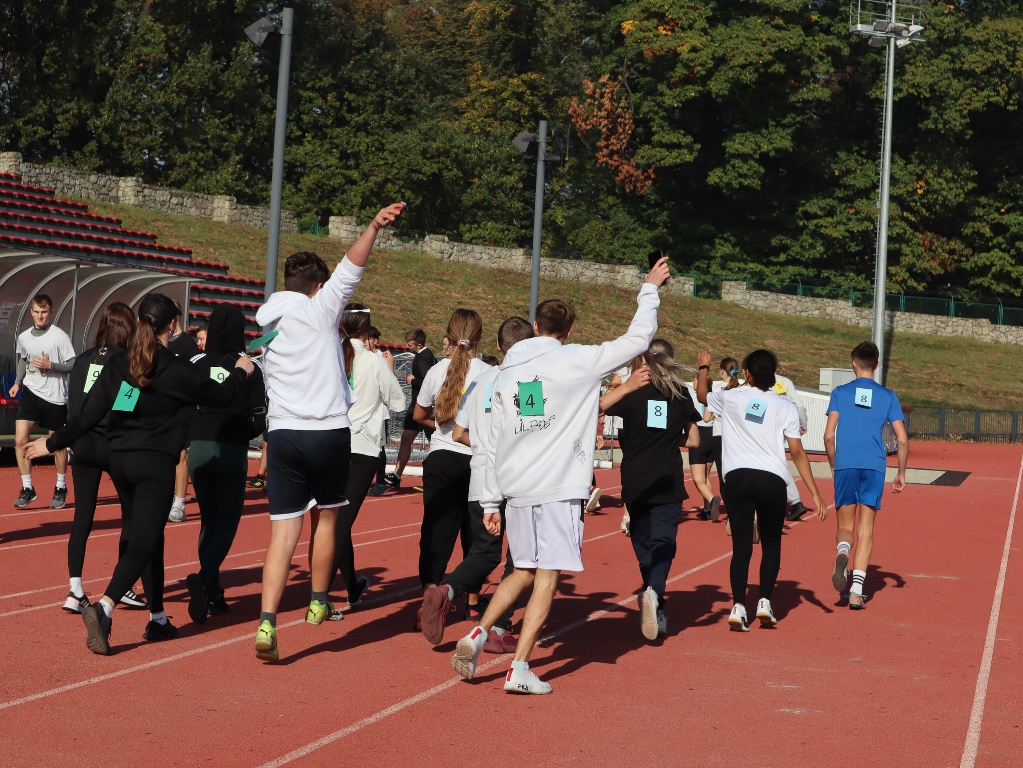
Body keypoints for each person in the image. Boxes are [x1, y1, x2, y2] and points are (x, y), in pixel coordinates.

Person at [450, 257, 669, 695]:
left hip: (516, 485)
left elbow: (491, 438)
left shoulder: (506, 372)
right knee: (547, 575)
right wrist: (649, 288)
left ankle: (479, 631)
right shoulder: (579, 360)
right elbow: (639, 338)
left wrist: (490, 500)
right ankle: (519, 668)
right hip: (559, 485)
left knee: (523, 570)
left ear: (535, 326)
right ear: (568, 331)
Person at [26, 293, 255, 654]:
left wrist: (53, 442)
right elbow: (222, 396)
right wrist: (241, 371)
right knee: (144, 540)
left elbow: (87, 416)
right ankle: (104, 607)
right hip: (154, 465)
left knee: (149, 536)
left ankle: (158, 617)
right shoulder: (178, 369)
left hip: (121, 460)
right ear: (172, 325)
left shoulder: (122, 363)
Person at [251, 202, 405, 663]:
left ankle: (266, 621)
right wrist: (373, 226)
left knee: (283, 533)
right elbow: (350, 269)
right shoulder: (319, 311)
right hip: (327, 432)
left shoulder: (268, 320)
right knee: (329, 518)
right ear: (318, 289)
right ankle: (319, 598)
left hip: (283, 435)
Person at [421, 316, 535, 650]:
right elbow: (532, 431)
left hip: (481, 480)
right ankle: (498, 626)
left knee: (484, 553)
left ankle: (446, 590)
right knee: (520, 557)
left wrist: (487, 448)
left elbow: (458, 433)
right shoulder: (530, 383)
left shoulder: (481, 381)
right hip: (517, 479)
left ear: (499, 345)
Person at [696, 348, 826, 632]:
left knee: (741, 547)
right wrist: (815, 493)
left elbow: (702, 395)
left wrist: (704, 367)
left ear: (746, 373)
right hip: (772, 480)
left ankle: (738, 606)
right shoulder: (785, 407)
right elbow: (797, 452)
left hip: (737, 478)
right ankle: (765, 601)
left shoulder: (731, 397)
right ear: (774, 375)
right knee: (771, 544)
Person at [600, 339, 700, 641]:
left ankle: (654, 599)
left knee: (644, 545)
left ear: (643, 360)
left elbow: (597, 409)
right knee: (664, 542)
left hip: (635, 478)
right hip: (667, 478)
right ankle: (654, 593)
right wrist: (668, 437)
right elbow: (694, 440)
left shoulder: (631, 392)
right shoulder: (680, 393)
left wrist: (620, 386)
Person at [314, 303, 404, 616]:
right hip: (361, 447)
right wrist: (388, 370)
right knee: (340, 523)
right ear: (366, 330)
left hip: (329, 444)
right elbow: (398, 401)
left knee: (337, 520)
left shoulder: (328, 355)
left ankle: (351, 586)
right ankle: (319, 597)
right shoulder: (374, 361)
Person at [184, 305, 268, 624]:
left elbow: (185, 404)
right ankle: (205, 578)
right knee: (227, 524)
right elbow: (259, 420)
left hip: (199, 449)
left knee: (208, 521)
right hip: (232, 450)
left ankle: (213, 592)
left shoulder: (196, 362)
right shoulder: (250, 366)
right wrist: (241, 429)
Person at [62, 302, 147, 613]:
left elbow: (72, 405)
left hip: (83, 443)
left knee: (82, 517)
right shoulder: (127, 360)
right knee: (131, 513)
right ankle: (122, 586)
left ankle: (74, 590)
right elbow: (128, 407)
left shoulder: (84, 358)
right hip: (114, 443)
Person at [415, 309, 489, 639]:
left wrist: (443, 428)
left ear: (448, 336)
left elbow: (419, 414)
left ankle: (428, 598)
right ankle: (472, 603)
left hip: (442, 458)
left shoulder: (435, 371)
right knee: (476, 534)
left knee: (436, 532)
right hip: (476, 458)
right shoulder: (490, 373)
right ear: (480, 338)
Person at [824, 341, 909, 609]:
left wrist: (833, 463)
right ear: (877, 365)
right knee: (866, 529)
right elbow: (902, 439)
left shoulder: (840, 392)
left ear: (853, 363)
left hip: (845, 463)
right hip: (874, 465)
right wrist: (901, 473)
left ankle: (842, 552)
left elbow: (828, 434)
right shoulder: (888, 396)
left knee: (845, 526)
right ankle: (857, 591)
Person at [10, 293, 76, 509]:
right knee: (20, 440)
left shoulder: (59, 337)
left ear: (51, 312)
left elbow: (73, 364)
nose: (40, 316)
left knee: (58, 444)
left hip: (55, 397)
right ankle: (27, 488)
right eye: (37, 312)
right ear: (31, 312)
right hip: (31, 392)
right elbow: (23, 360)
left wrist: (51, 366)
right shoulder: (24, 337)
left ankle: (60, 487)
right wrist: (17, 383)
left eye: (44, 312)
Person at [384, 329, 437, 490]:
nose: (407, 347)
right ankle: (397, 475)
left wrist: (413, 381)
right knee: (406, 439)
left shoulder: (425, 357)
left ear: (419, 344)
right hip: (415, 406)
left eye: (410, 345)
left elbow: (429, 382)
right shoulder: (420, 355)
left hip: (424, 407)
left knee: (435, 443)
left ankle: (433, 478)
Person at [167, 301, 200, 523]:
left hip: (182, 409)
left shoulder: (188, 344)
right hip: (160, 410)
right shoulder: (155, 343)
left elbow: (195, 377)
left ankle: (179, 503)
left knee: (181, 455)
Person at [772, 369, 813, 521]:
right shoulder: (785, 382)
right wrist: (803, 425)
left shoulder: (757, 382)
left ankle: (794, 501)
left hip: (767, 427)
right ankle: (791, 501)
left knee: (775, 462)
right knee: (777, 461)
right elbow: (799, 406)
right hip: (784, 425)